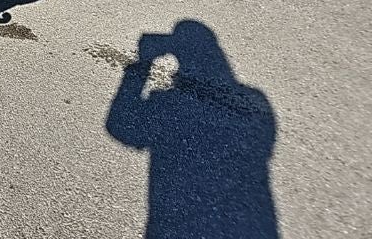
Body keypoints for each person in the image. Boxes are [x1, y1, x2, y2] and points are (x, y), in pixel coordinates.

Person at [106, 20, 279, 238]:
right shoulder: (253, 99)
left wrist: (144, 62)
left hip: (176, 219)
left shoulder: (170, 104)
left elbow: (120, 126)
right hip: (251, 219)